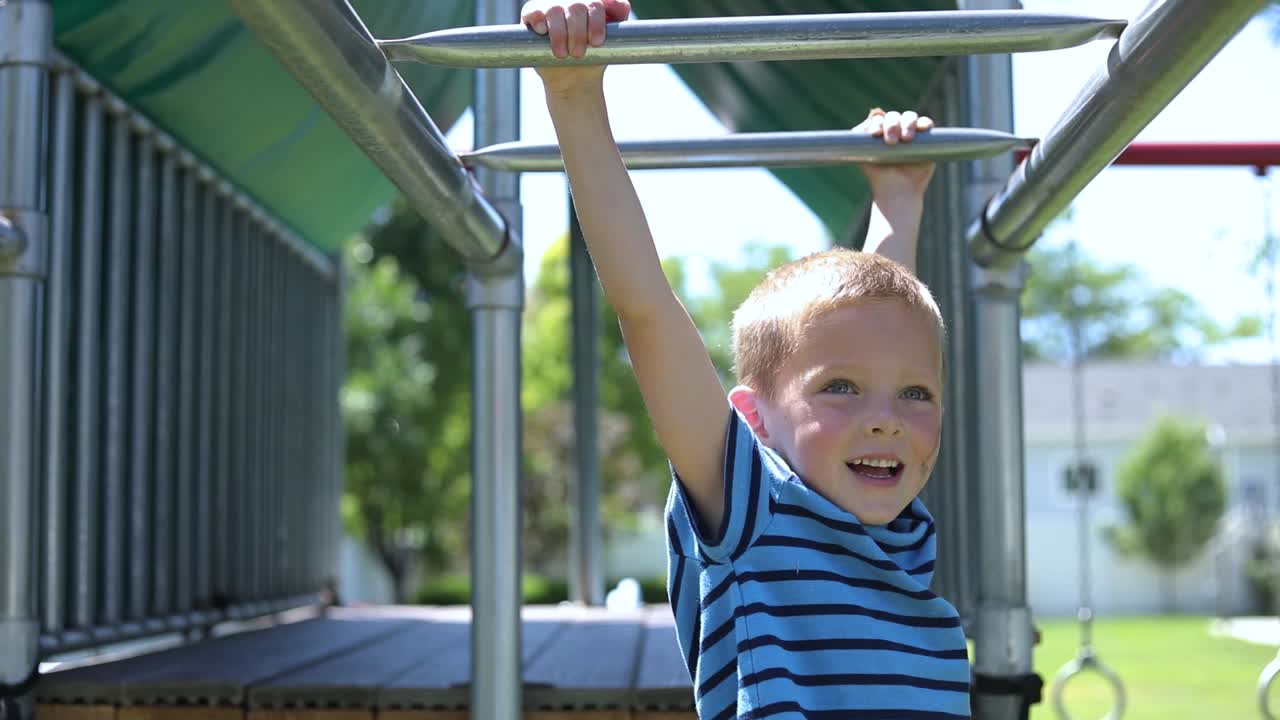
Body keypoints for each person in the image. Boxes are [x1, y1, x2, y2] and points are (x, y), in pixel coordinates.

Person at [522, 2, 971, 717]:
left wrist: (897, 204)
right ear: (754, 418)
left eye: (915, 395)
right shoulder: (754, 507)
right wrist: (575, 100)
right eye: (840, 389)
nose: (885, 420)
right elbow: (648, 311)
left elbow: (887, 328)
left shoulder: (902, 530)